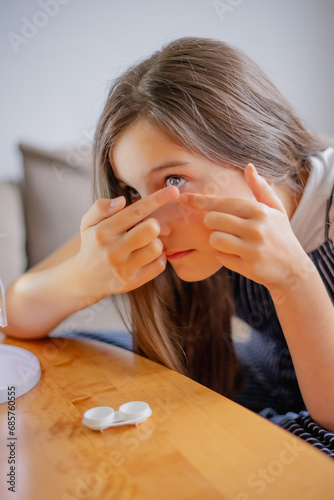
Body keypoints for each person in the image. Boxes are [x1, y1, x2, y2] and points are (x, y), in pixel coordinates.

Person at [3, 37, 334, 454]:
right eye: (136, 192)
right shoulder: (150, 219)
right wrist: (84, 277)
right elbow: (13, 315)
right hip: (259, 380)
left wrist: (294, 277)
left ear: (254, 147)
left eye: (174, 181)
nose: (152, 223)